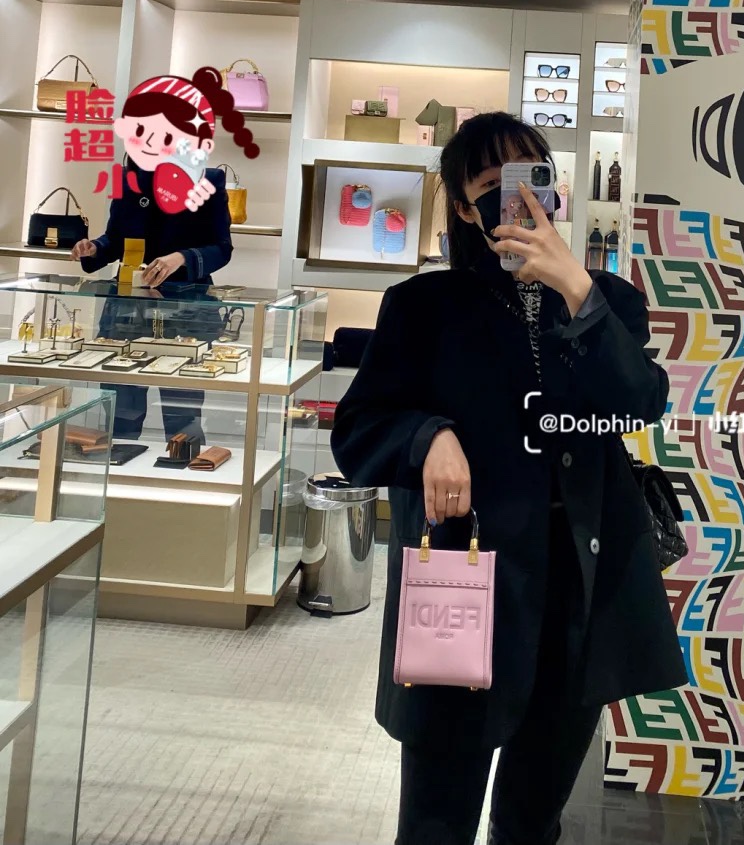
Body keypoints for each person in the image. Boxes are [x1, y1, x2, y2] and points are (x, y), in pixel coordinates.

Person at [331, 112, 686, 845]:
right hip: (464, 587)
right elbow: (358, 428)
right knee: (436, 821)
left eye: (533, 176)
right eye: (493, 184)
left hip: (579, 590)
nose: (519, 196)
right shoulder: (424, 307)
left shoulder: (607, 300)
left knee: (532, 819)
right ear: (465, 207)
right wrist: (428, 436)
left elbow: (640, 402)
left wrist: (574, 287)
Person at [71, 69, 253, 440]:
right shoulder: (128, 177)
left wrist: (180, 258)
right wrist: (94, 248)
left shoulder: (208, 181)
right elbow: (116, 239)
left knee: (182, 416)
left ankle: (185, 470)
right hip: (127, 312)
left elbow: (222, 248)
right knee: (120, 414)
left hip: (187, 311)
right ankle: (119, 469)